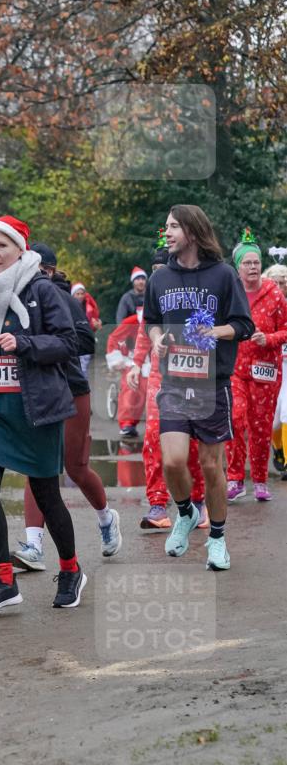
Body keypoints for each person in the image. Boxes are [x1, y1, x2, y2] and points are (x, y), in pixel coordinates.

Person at [0, 216, 86, 612]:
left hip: (36, 409)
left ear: (20, 250)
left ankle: (70, 569)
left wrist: (26, 343)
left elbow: (70, 343)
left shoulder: (43, 290)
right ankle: (3, 580)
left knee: (48, 497)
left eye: (2, 246)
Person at [143, 204, 254, 571]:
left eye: (173, 226)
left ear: (192, 231)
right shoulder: (160, 279)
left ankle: (218, 539)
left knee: (210, 466)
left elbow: (243, 325)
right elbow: (153, 321)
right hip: (174, 382)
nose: (167, 232)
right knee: (172, 460)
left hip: (212, 384)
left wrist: (214, 331)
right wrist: (157, 339)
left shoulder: (223, 275)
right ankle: (185, 512)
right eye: (166, 226)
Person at [13, 243, 122, 569]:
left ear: (45, 269)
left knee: (74, 466)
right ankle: (33, 546)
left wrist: (45, 344)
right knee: (37, 466)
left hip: (70, 388)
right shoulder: (12, 295)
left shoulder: (62, 297)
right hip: (35, 390)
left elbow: (86, 341)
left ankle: (106, 518)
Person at [128, 235, 208, 531]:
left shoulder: (196, 289)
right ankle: (158, 505)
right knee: (153, 438)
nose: (159, 274)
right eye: (155, 269)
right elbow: (143, 330)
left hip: (196, 375)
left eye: (164, 268)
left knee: (194, 440)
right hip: (161, 376)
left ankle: (198, 504)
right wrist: (136, 365)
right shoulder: (154, 293)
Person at [225, 230, 287, 502]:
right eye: (247, 263)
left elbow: (286, 328)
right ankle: (236, 479)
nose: (252, 267)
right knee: (236, 420)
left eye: (256, 262)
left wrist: (269, 338)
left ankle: (260, 480)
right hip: (235, 369)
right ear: (237, 267)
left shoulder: (274, 294)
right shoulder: (230, 293)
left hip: (266, 370)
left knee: (261, 428)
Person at [106, 309, 148, 439]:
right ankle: (127, 424)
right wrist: (117, 359)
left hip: (155, 360)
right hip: (132, 358)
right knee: (131, 389)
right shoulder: (132, 321)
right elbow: (114, 338)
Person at [265, 261, 287, 478]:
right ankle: (278, 448)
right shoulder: (265, 307)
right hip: (271, 367)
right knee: (274, 418)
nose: (279, 287)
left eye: (283, 283)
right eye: (275, 283)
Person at [70, 282, 102, 379]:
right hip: (74, 338)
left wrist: (96, 324)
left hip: (86, 338)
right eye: (77, 294)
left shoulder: (89, 307)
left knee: (84, 364)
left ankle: (84, 381)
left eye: (82, 293)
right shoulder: (70, 307)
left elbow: (94, 321)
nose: (80, 296)